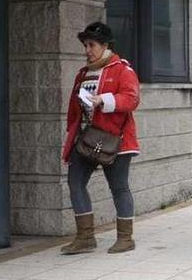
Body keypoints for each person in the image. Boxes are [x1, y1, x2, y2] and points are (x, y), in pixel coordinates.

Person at [60, 22, 141, 255]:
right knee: (75, 182)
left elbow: (132, 99)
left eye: (91, 45)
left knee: (118, 187)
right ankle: (85, 238)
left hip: (115, 141)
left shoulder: (122, 70)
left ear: (105, 45)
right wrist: (71, 134)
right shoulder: (83, 74)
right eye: (85, 45)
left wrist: (103, 100)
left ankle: (126, 238)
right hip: (85, 139)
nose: (87, 50)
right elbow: (73, 109)